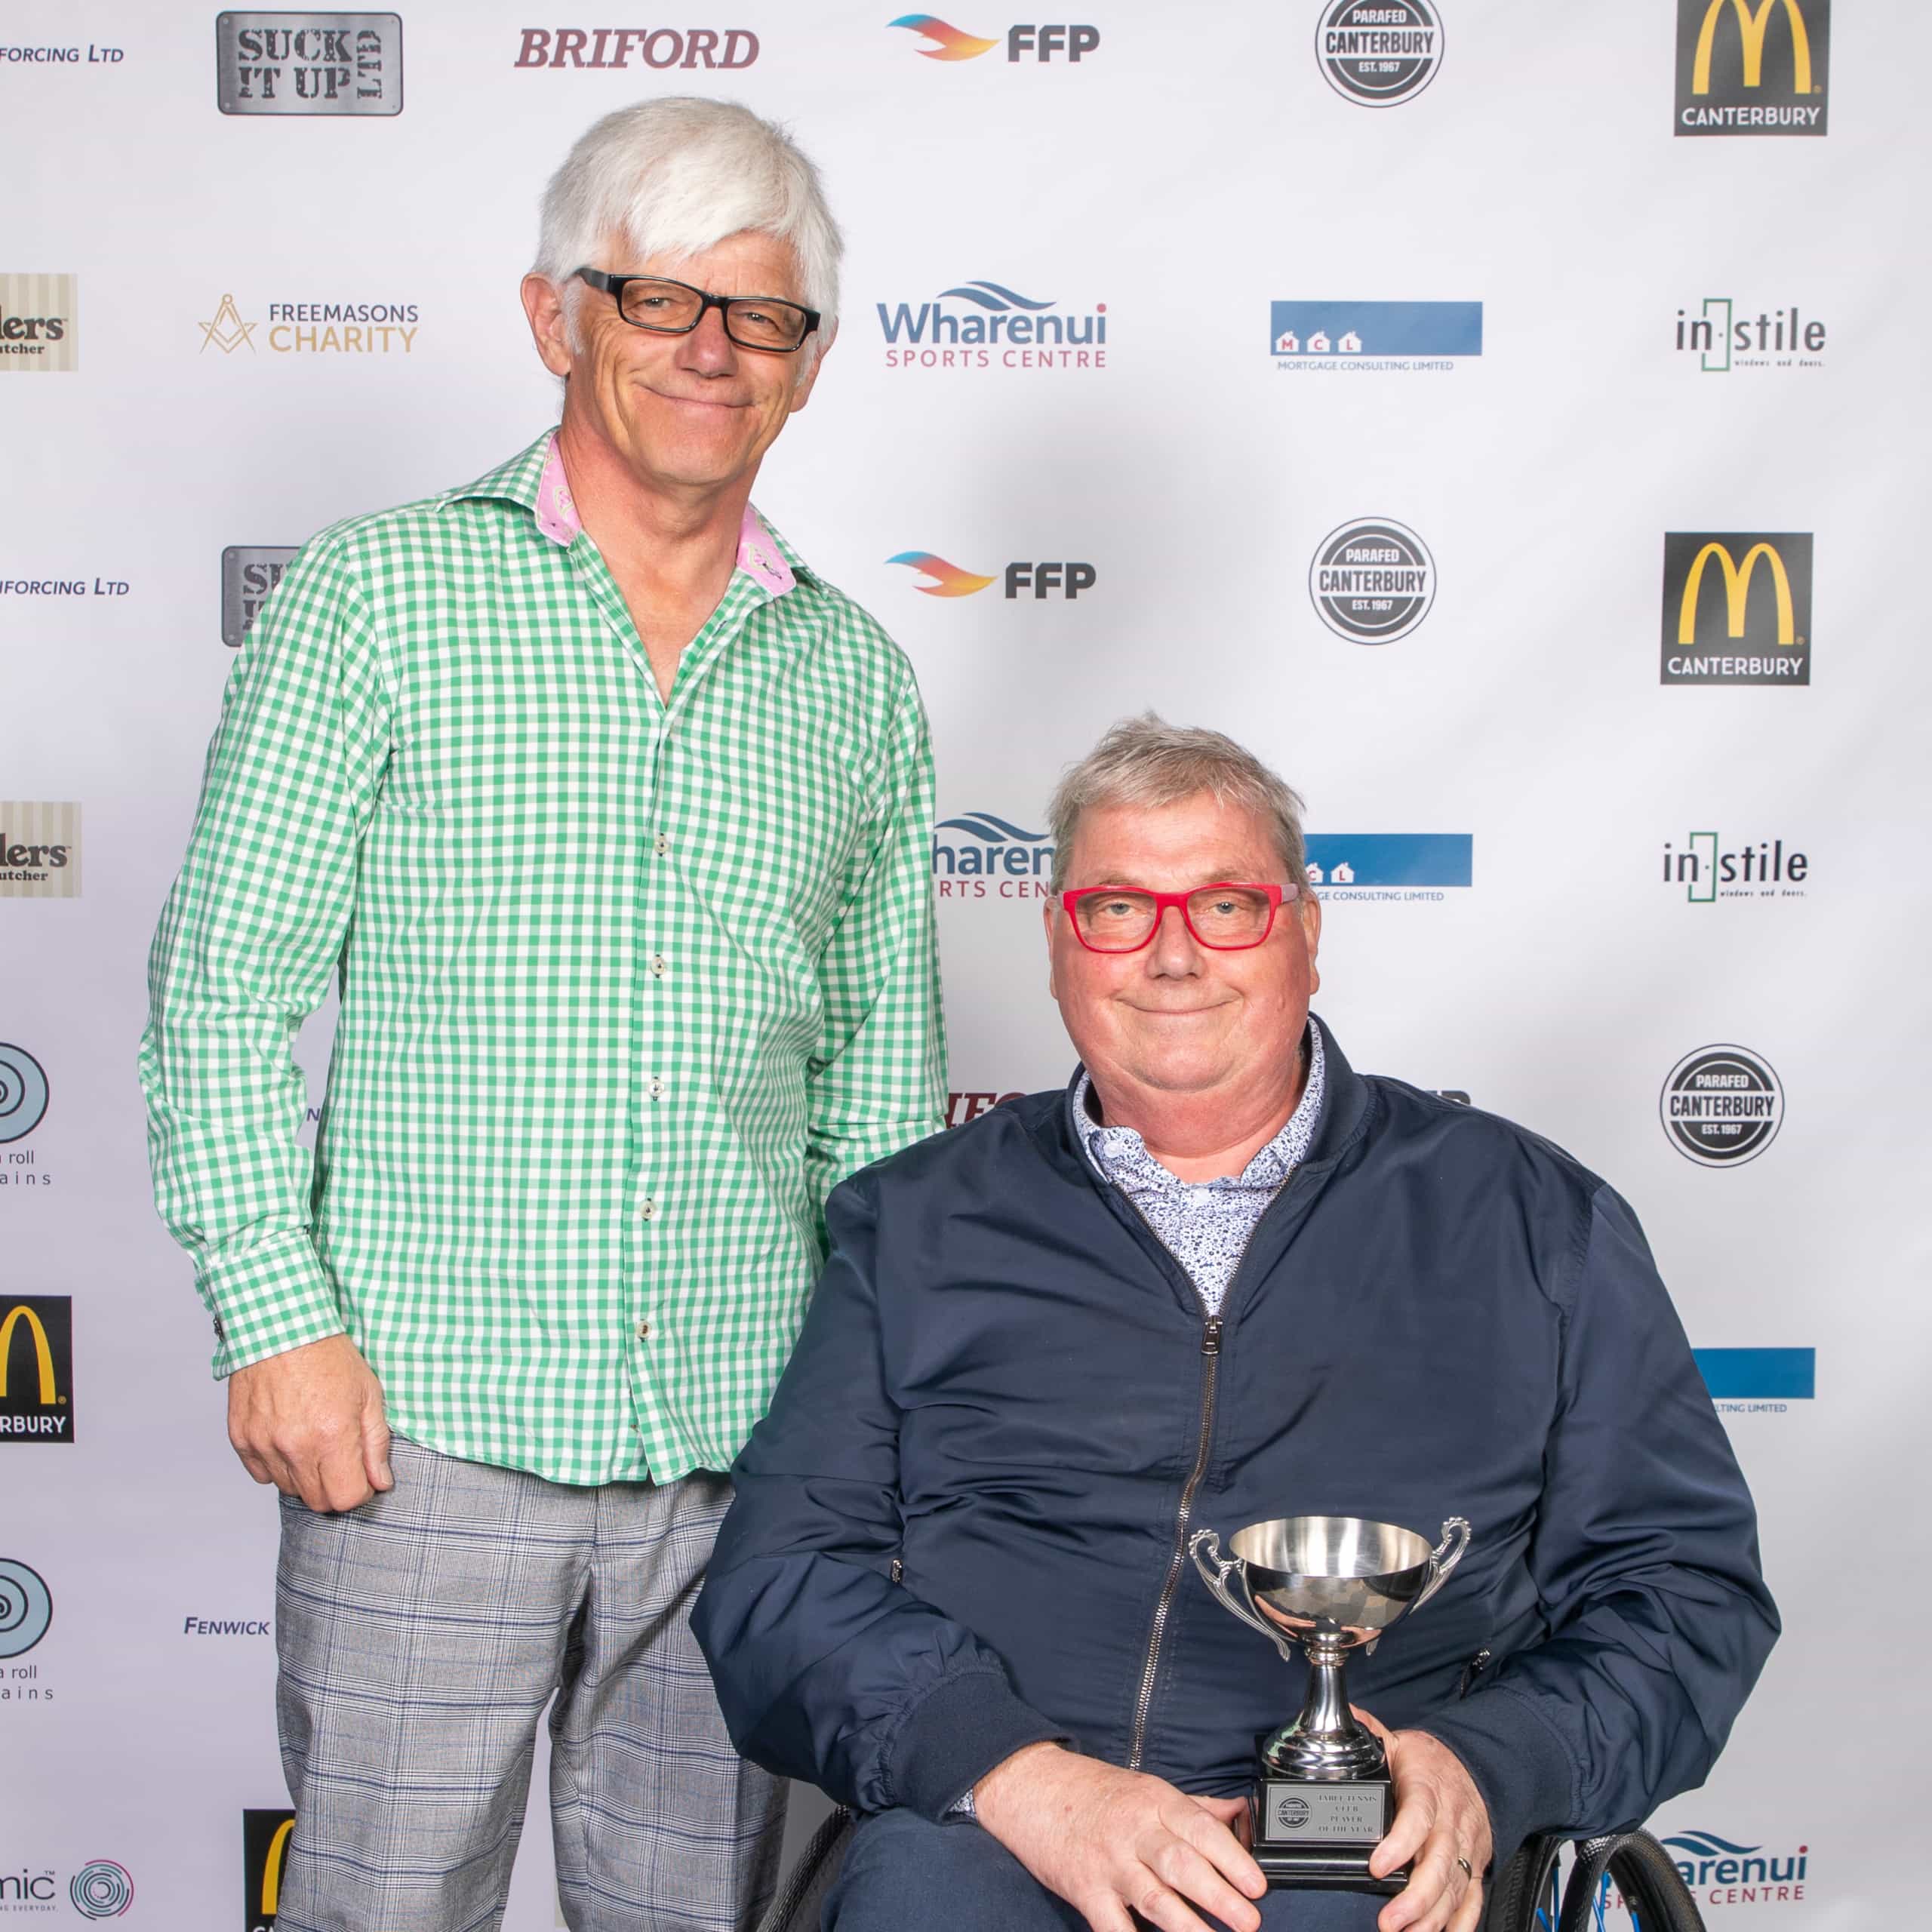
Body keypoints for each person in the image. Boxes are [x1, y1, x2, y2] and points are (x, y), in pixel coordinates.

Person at [140, 97, 944, 1932]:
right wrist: (277, 1317)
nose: (708, 350)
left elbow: (882, 1101)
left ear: (808, 363)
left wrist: (863, 1429)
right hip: (417, 1429)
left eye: (759, 314)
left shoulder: (854, 681)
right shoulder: (375, 596)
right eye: (657, 298)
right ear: (552, 316)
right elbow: (219, 989)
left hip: (743, 1463)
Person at [694, 716, 1778, 1932]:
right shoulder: (915, 1222)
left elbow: (1684, 1591)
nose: (1172, 956)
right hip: (998, 1830)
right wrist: (1013, 1774)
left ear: (1306, 932)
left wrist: (1491, 1764)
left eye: (1226, 906)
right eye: (1117, 907)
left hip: (1364, 1850)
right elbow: (783, 1580)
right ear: (1057, 941)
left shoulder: (1533, 1220)